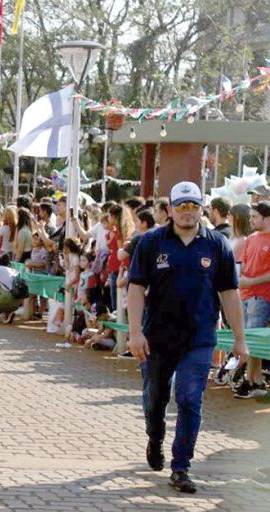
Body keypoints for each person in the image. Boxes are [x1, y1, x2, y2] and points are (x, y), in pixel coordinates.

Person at [127, 181, 249, 494]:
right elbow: (136, 288)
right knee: (156, 399)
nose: (187, 212)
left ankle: (181, 467)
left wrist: (240, 338)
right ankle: (155, 437)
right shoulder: (153, 242)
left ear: (201, 207)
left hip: (199, 337)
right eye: (181, 206)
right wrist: (136, 331)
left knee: (190, 398)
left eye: (193, 206)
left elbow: (230, 293)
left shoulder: (216, 244)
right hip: (157, 337)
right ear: (170, 209)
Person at [235, 201, 270, 399]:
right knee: (249, 338)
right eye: (250, 217)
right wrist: (243, 282)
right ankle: (255, 380)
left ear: (267, 218)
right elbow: (245, 263)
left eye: (255, 217)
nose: (251, 220)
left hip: (262, 295)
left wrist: (251, 281)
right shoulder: (250, 239)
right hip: (246, 294)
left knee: (253, 340)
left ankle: (251, 380)